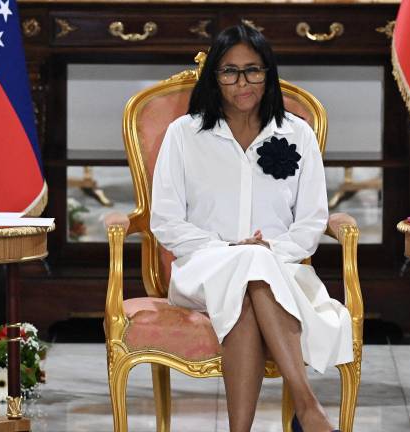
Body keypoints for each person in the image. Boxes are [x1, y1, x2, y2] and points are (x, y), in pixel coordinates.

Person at [150, 24, 352, 432]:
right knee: (247, 265)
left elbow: (312, 220)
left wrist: (265, 253)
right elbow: (165, 221)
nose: (242, 82)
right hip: (203, 271)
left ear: (268, 73)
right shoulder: (184, 135)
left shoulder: (297, 134)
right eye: (229, 71)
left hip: (282, 269)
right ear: (214, 77)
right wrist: (227, 250)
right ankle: (308, 406)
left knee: (251, 278)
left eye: (253, 70)